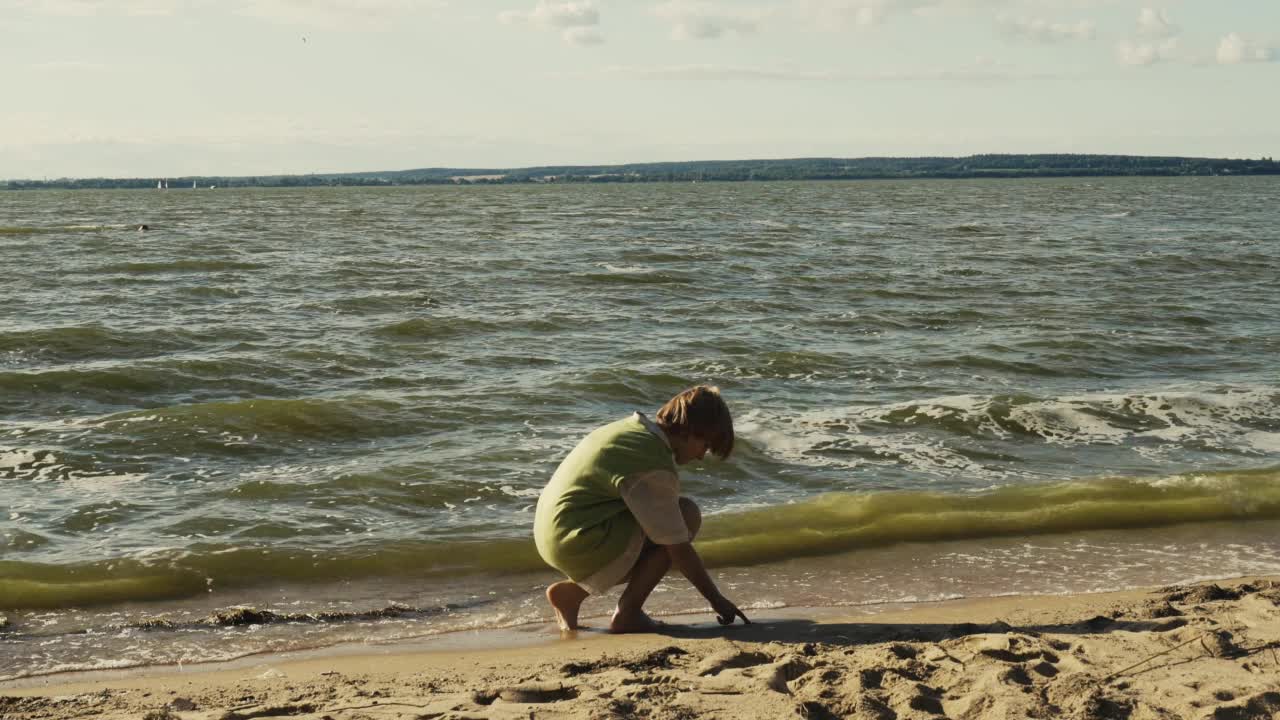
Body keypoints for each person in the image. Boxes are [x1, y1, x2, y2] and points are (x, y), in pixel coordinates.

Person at [534, 385, 751, 633]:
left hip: (553, 534)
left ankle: (572, 595)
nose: (702, 456)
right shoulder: (652, 464)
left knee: (666, 521)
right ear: (692, 431)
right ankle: (628, 612)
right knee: (686, 516)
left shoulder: (630, 430)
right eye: (705, 445)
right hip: (578, 541)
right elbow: (678, 548)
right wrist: (717, 600)